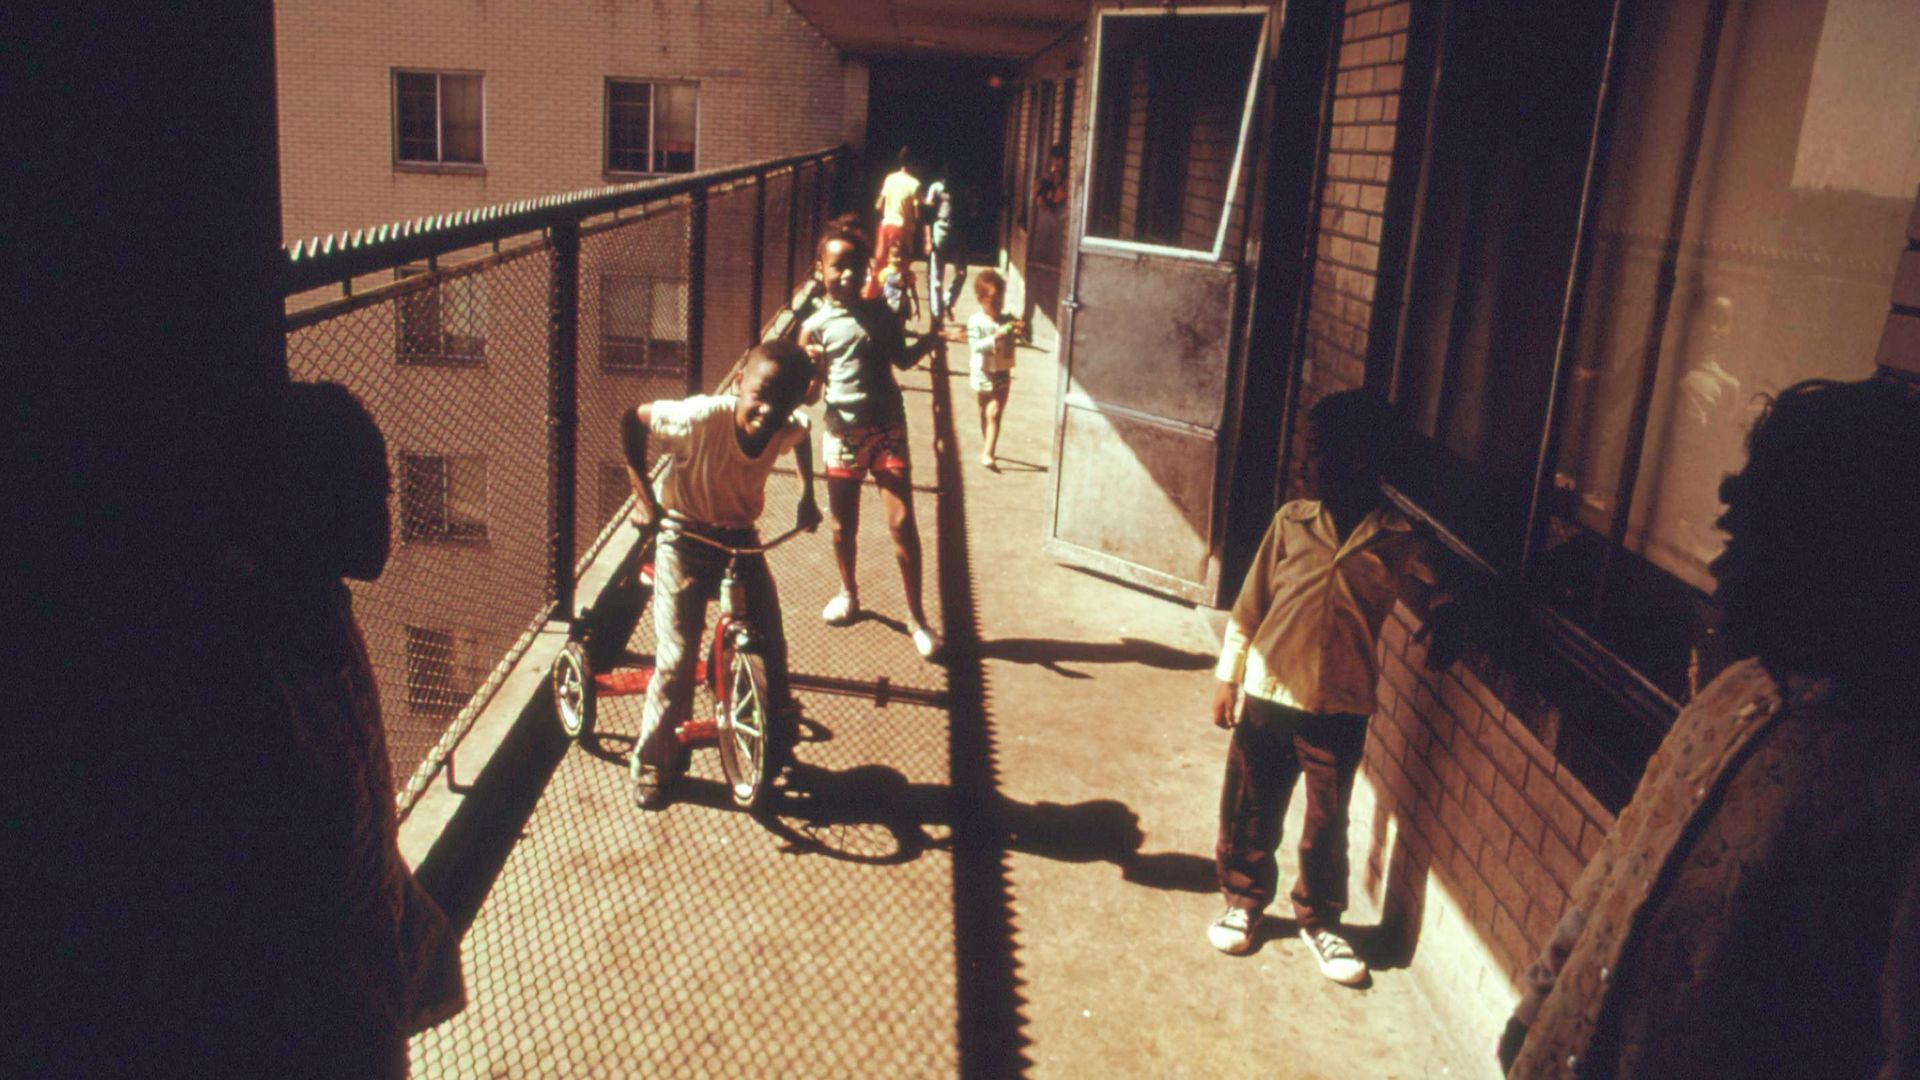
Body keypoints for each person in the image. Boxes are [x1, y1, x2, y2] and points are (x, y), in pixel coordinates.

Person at [1500, 376, 1920, 1079]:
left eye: (1756, 540)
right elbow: (1622, 867)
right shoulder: (1730, 695)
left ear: (1845, 565)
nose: (1721, 568)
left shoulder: (1893, 790)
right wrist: (1534, 1006)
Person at [1207, 387, 1457, 985]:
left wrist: (1447, 607)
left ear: (1359, 461)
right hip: (1268, 695)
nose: (1303, 463)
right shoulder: (1292, 523)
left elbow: (1440, 574)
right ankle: (1244, 901)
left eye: (1316, 452)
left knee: (1327, 820)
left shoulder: (1396, 537)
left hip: (1341, 706)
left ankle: (1321, 921)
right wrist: (1228, 678)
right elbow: (1248, 608)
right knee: (1252, 805)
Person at [621, 342, 822, 810]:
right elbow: (633, 418)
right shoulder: (700, 417)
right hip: (683, 537)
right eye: (761, 394)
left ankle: (778, 719)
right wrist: (641, 493)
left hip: (740, 539)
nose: (769, 410)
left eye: (786, 401)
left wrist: (807, 494)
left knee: (772, 635)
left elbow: (803, 433)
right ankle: (654, 761)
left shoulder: (785, 426)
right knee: (675, 658)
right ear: (738, 385)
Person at [802, 218, 943, 661]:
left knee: (902, 523)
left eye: (857, 266)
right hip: (842, 434)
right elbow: (810, 396)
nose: (848, 275)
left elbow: (900, 360)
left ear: (869, 270)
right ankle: (848, 592)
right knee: (844, 526)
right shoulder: (812, 327)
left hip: (887, 429)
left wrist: (933, 340)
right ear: (819, 269)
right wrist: (811, 366)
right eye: (838, 266)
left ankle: (917, 618)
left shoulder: (882, 314)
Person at [965, 268, 1022, 469]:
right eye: (993, 300)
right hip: (983, 372)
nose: (997, 305)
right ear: (981, 299)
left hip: (1002, 371)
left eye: (1000, 300)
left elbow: (1019, 334)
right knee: (984, 411)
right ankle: (987, 442)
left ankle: (989, 453)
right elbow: (975, 346)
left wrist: (1019, 330)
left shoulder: (1007, 318)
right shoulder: (975, 321)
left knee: (994, 412)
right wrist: (994, 337)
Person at [867, 146, 921, 301]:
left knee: (880, 262)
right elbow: (916, 214)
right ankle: (897, 298)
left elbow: (878, 205)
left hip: (886, 225)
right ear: (914, 165)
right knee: (901, 265)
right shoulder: (914, 184)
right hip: (902, 228)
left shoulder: (889, 178)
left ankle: (874, 295)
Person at [921, 166, 966, 327]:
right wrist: (927, 239)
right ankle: (937, 313)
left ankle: (948, 301)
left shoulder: (962, 187)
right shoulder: (936, 188)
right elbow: (926, 215)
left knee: (961, 272)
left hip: (958, 230)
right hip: (940, 228)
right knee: (936, 276)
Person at [880, 240, 919, 327]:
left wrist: (917, 307)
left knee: (901, 323)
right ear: (888, 258)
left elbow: (913, 291)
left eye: (903, 257)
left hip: (902, 304)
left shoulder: (908, 274)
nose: (899, 259)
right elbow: (881, 290)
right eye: (895, 256)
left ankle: (901, 333)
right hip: (888, 303)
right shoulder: (885, 273)